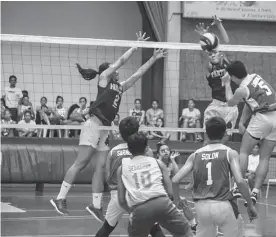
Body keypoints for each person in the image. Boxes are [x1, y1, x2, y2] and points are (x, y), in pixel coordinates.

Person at [50, 31, 166, 221]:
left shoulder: (120, 86)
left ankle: (95, 206)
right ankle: (60, 198)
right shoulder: (104, 78)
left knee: (101, 167)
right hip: (93, 124)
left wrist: (153, 58)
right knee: (82, 163)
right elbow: (120, 61)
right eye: (115, 70)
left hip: (105, 128)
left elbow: (137, 74)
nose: (118, 72)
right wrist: (136, 45)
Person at [172, 117, 258, 237]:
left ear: (206, 134)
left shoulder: (195, 155)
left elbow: (175, 180)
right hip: (222, 205)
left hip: (201, 207)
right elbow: (240, 180)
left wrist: (177, 199)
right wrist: (250, 204)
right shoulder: (230, 153)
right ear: (224, 133)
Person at [219, 60, 276, 205]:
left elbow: (230, 102)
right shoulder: (256, 76)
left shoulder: (241, 89)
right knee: (265, 158)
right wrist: (242, 122)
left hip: (263, 118)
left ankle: (237, 187)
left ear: (233, 76)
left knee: (243, 151)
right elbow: (251, 103)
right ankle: (255, 191)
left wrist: (227, 83)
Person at [95, 116, 166, 237]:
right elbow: (152, 172)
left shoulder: (113, 151)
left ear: (121, 133)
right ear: (137, 131)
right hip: (139, 194)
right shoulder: (145, 150)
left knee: (107, 227)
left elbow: (107, 175)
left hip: (117, 195)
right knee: (154, 228)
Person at [117, 132, 193, 237]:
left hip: (140, 207)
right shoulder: (158, 163)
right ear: (146, 148)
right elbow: (170, 192)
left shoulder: (122, 167)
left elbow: (121, 200)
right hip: (162, 202)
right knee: (185, 232)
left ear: (129, 150)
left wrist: (132, 211)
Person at [194, 16, 239, 144]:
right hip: (215, 105)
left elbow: (227, 41)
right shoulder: (209, 67)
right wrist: (205, 37)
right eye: (210, 54)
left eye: (214, 53)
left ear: (220, 53)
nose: (212, 55)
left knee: (224, 139)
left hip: (231, 106)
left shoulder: (228, 64)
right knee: (207, 138)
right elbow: (206, 52)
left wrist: (219, 25)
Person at [156, 141, 197, 232]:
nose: (166, 152)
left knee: (183, 202)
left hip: (169, 194)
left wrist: (173, 160)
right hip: (158, 195)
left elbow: (178, 175)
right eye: (163, 151)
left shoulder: (170, 164)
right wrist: (167, 169)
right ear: (158, 153)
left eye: (167, 150)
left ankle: (193, 225)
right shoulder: (156, 163)